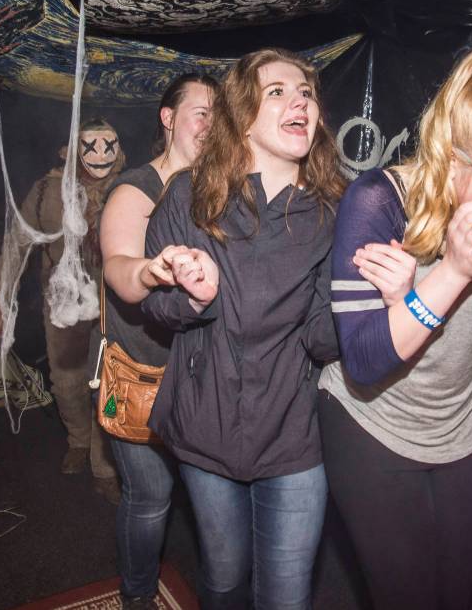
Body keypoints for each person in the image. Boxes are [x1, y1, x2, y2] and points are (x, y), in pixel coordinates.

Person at [318, 46, 472, 610]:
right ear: (453, 156)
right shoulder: (379, 201)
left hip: (462, 425)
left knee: (454, 597)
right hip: (371, 424)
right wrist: (453, 272)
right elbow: (363, 361)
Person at [140, 48, 344, 609]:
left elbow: (324, 339)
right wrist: (192, 297)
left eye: (304, 90)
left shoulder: (333, 214)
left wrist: (373, 303)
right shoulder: (188, 197)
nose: (299, 98)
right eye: (276, 91)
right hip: (206, 426)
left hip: (294, 438)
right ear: (241, 114)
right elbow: (153, 309)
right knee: (225, 581)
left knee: (286, 597)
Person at [96, 73, 217, 609]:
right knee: (150, 497)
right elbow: (118, 271)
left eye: (220, 115)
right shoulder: (135, 188)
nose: (211, 125)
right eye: (200, 112)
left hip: (203, 375)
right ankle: (138, 597)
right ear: (168, 119)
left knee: (213, 498)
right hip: (143, 374)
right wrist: (151, 269)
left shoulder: (222, 191)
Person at [0, 118, 124, 502]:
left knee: (107, 383)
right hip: (62, 302)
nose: (99, 154)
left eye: (108, 145)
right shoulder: (48, 190)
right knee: (66, 381)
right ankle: (78, 440)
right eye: (89, 145)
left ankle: (105, 465)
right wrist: (1, 301)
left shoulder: (129, 188)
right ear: (71, 150)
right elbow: (16, 244)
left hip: (115, 306)